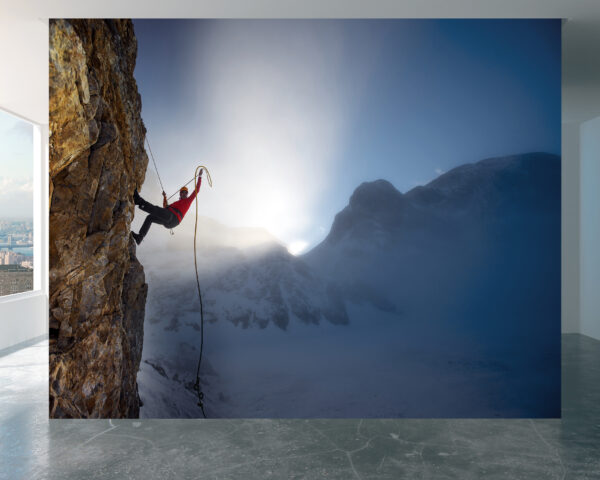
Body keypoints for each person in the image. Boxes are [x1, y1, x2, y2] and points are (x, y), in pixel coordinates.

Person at [132, 169, 203, 245]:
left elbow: (197, 190)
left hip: (173, 218)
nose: (184, 193)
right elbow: (165, 206)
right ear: (180, 194)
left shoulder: (188, 201)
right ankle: (140, 237)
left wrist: (200, 176)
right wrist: (164, 197)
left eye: (185, 192)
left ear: (187, 194)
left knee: (156, 210)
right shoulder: (176, 203)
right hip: (170, 221)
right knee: (150, 217)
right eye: (182, 192)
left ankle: (138, 200)